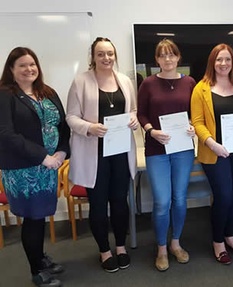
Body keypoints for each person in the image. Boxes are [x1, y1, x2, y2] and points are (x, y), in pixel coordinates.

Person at [66, 37, 139, 272]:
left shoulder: (126, 81)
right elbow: (71, 117)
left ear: (115, 55)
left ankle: (120, 246)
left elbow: (134, 110)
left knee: (120, 202)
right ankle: (104, 251)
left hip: (119, 152)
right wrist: (89, 127)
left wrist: (134, 119)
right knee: (98, 205)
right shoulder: (80, 82)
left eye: (110, 53)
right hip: (93, 153)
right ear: (93, 57)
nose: (106, 58)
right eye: (100, 54)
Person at [0, 47, 70, 287]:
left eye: (32, 64)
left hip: (49, 167)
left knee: (40, 217)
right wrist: (43, 156)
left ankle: (40, 258)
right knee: (32, 218)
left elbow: (64, 124)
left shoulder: (47, 91)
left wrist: (61, 150)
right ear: (11, 69)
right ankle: (36, 270)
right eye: (22, 65)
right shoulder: (5, 95)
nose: (29, 69)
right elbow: (6, 134)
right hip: (23, 169)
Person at [191, 43, 233, 265]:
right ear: (212, 62)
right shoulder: (201, 88)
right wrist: (212, 143)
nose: (224, 63)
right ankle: (218, 241)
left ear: (232, 63)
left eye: (227, 59)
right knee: (224, 196)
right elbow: (197, 123)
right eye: (219, 59)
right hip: (214, 153)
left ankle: (230, 236)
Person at [137, 39, 196, 271]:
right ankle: (161, 248)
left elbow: (196, 113)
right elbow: (141, 114)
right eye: (163, 55)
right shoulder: (148, 84)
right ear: (157, 60)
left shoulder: (190, 82)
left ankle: (175, 243)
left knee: (180, 198)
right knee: (162, 201)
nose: (168, 59)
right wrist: (152, 130)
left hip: (183, 149)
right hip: (156, 150)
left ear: (178, 57)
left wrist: (192, 125)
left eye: (172, 55)